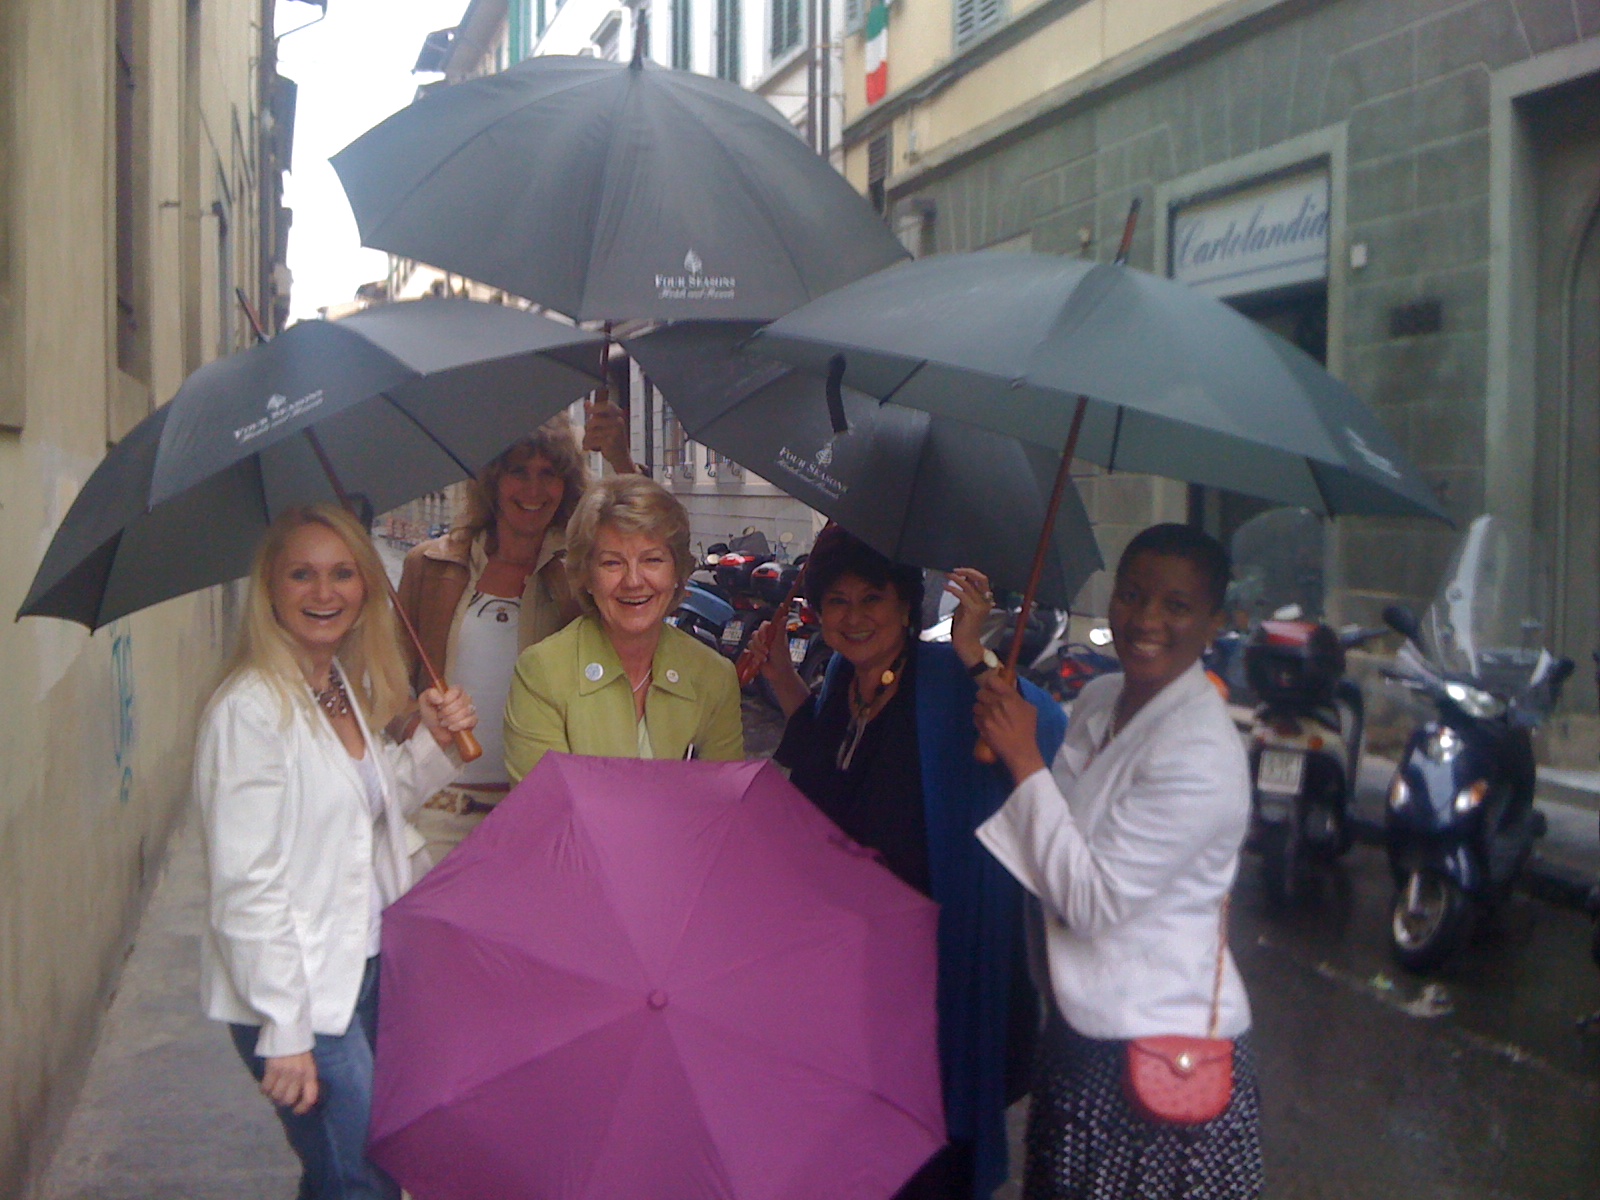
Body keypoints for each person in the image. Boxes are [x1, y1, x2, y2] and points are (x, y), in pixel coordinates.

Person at [747, 527, 1067, 1200]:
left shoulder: (947, 680)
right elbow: (825, 767)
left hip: (932, 972)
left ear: (903, 605)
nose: (855, 616)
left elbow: (1045, 726)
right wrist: (780, 677)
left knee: (926, 1151)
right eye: (836, 601)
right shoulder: (843, 678)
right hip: (852, 979)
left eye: (872, 598)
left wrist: (977, 654)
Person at [194, 504, 478, 1200]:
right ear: (270, 588)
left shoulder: (335, 686)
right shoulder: (251, 711)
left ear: (365, 585)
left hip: (365, 965)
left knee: (358, 1171)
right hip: (303, 987)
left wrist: (432, 744)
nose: (325, 593)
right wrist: (286, 1028)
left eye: (342, 573)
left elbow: (363, 817)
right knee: (360, 1180)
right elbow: (246, 886)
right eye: (302, 574)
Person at [972, 523, 1262, 1200]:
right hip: (1080, 1027)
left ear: (1213, 622)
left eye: (1176, 606)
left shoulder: (1201, 757)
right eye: (1132, 596)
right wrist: (1005, 725)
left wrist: (1022, 759)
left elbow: (1092, 901)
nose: (1146, 620)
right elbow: (1064, 827)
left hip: (1156, 1044)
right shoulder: (1102, 700)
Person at [396, 411, 634, 867]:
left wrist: (619, 457)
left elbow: (644, 550)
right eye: (518, 471)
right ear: (492, 479)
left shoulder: (581, 575)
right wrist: (416, 726)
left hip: (541, 817)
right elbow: (386, 687)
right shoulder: (429, 566)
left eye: (549, 474)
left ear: (566, 484)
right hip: (442, 814)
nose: (533, 489)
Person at [503, 474, 743, 777]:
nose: (633, 581)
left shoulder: (714, 676)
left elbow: (725, 802)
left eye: (652, 560)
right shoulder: (542, 672)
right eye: (612, 563)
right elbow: (544, 811)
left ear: (677, 572)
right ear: (586, 576)